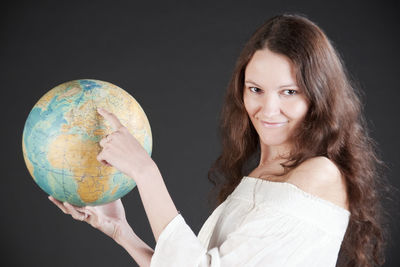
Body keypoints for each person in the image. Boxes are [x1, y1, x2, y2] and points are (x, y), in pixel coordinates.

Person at [48, 14, 390, 267]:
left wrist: (145, 172)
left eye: (289, 92)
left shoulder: (319, 175)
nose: (268, 109)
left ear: (317, 97)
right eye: (256, 89)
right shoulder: (260, 175)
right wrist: (121, 230)